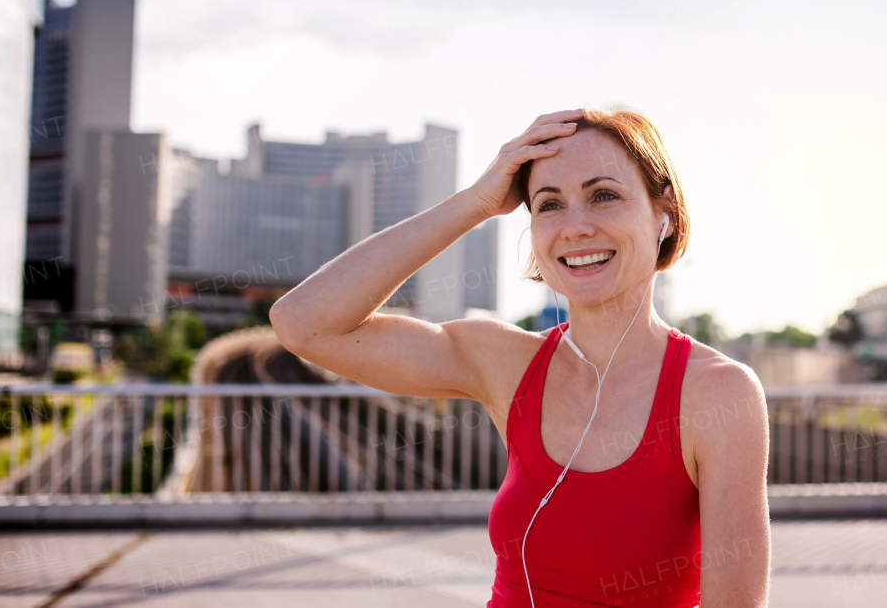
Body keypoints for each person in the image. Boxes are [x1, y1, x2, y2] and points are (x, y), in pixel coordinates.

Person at [270, 108, 771, 607]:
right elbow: (303, 324)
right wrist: (477, 202)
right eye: (549, 205)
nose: (575, 227)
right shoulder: (506, 364)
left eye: (604, 195)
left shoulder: (719, 392)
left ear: (665, 214)